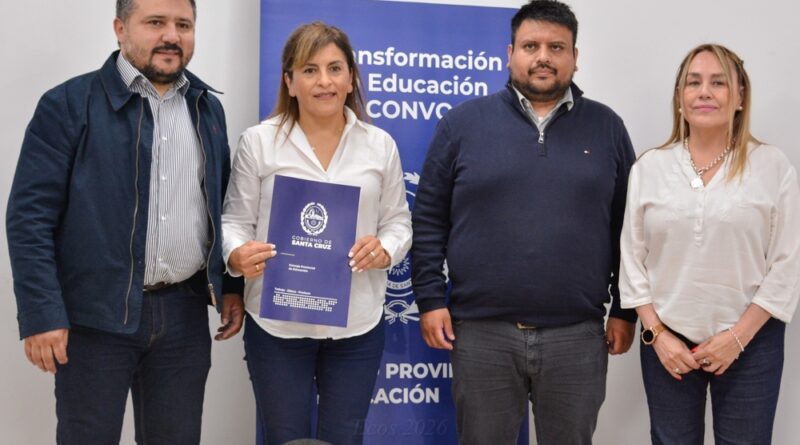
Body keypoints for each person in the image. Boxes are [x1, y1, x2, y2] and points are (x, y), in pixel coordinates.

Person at [5, 0, 244, 443]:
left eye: (183, 24)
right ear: (120, 28)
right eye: (155, 22)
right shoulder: (67, 105)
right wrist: (41, 313)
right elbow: (29, 219)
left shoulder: (207, 109)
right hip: (94, 320)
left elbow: (222, 207)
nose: (171, 35)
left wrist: (230, 286)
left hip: (184, 317)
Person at [411, 1, 637, 444]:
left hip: (577, 336)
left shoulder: (607, 127)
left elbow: (627, 229)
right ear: (510, 53)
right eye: (531, 46)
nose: (543, 57)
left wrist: (625, 310)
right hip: (482, 335)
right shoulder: (461, 124)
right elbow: (430, 219)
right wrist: (431, 299)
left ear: (575, 56)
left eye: (557, 47)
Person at [221, 21, 412, 445]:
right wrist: (236, 254)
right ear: (290, 83)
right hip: (277, 326)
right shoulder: (259, 142)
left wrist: (385, 249)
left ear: (351, 79)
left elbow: (398, 222)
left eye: (334, 68)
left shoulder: (380, 145)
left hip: (356, 326)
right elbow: (234, 221)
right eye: (309, 70)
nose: (324, 81)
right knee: (285, 439)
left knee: (345, 439)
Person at [620, 43, 800, 445]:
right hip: (667, 342)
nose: (704, 92)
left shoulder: (772, 166)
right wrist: (657, 334)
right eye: (693, 82)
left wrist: (738, 338)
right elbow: (632, 260)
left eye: (718, 83)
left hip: (751, 342)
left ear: (740, 97)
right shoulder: (650, 168)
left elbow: (787, 263)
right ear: (679, 98)